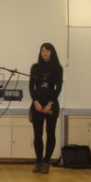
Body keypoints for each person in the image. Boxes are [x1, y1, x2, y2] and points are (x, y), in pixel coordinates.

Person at [29, 42, 63, 174]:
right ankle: (39, 161)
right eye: (42, 50)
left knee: (50, 133)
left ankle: (47, 162)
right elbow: (31, 87)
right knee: (37, 134)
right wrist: (35, 102)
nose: (44, 53)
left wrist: (50, 104)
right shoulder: (35, 67)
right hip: (37, 103)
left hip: (51, 103)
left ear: (52, 52)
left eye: (47, 50)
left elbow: (58, 88)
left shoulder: (58, 68)